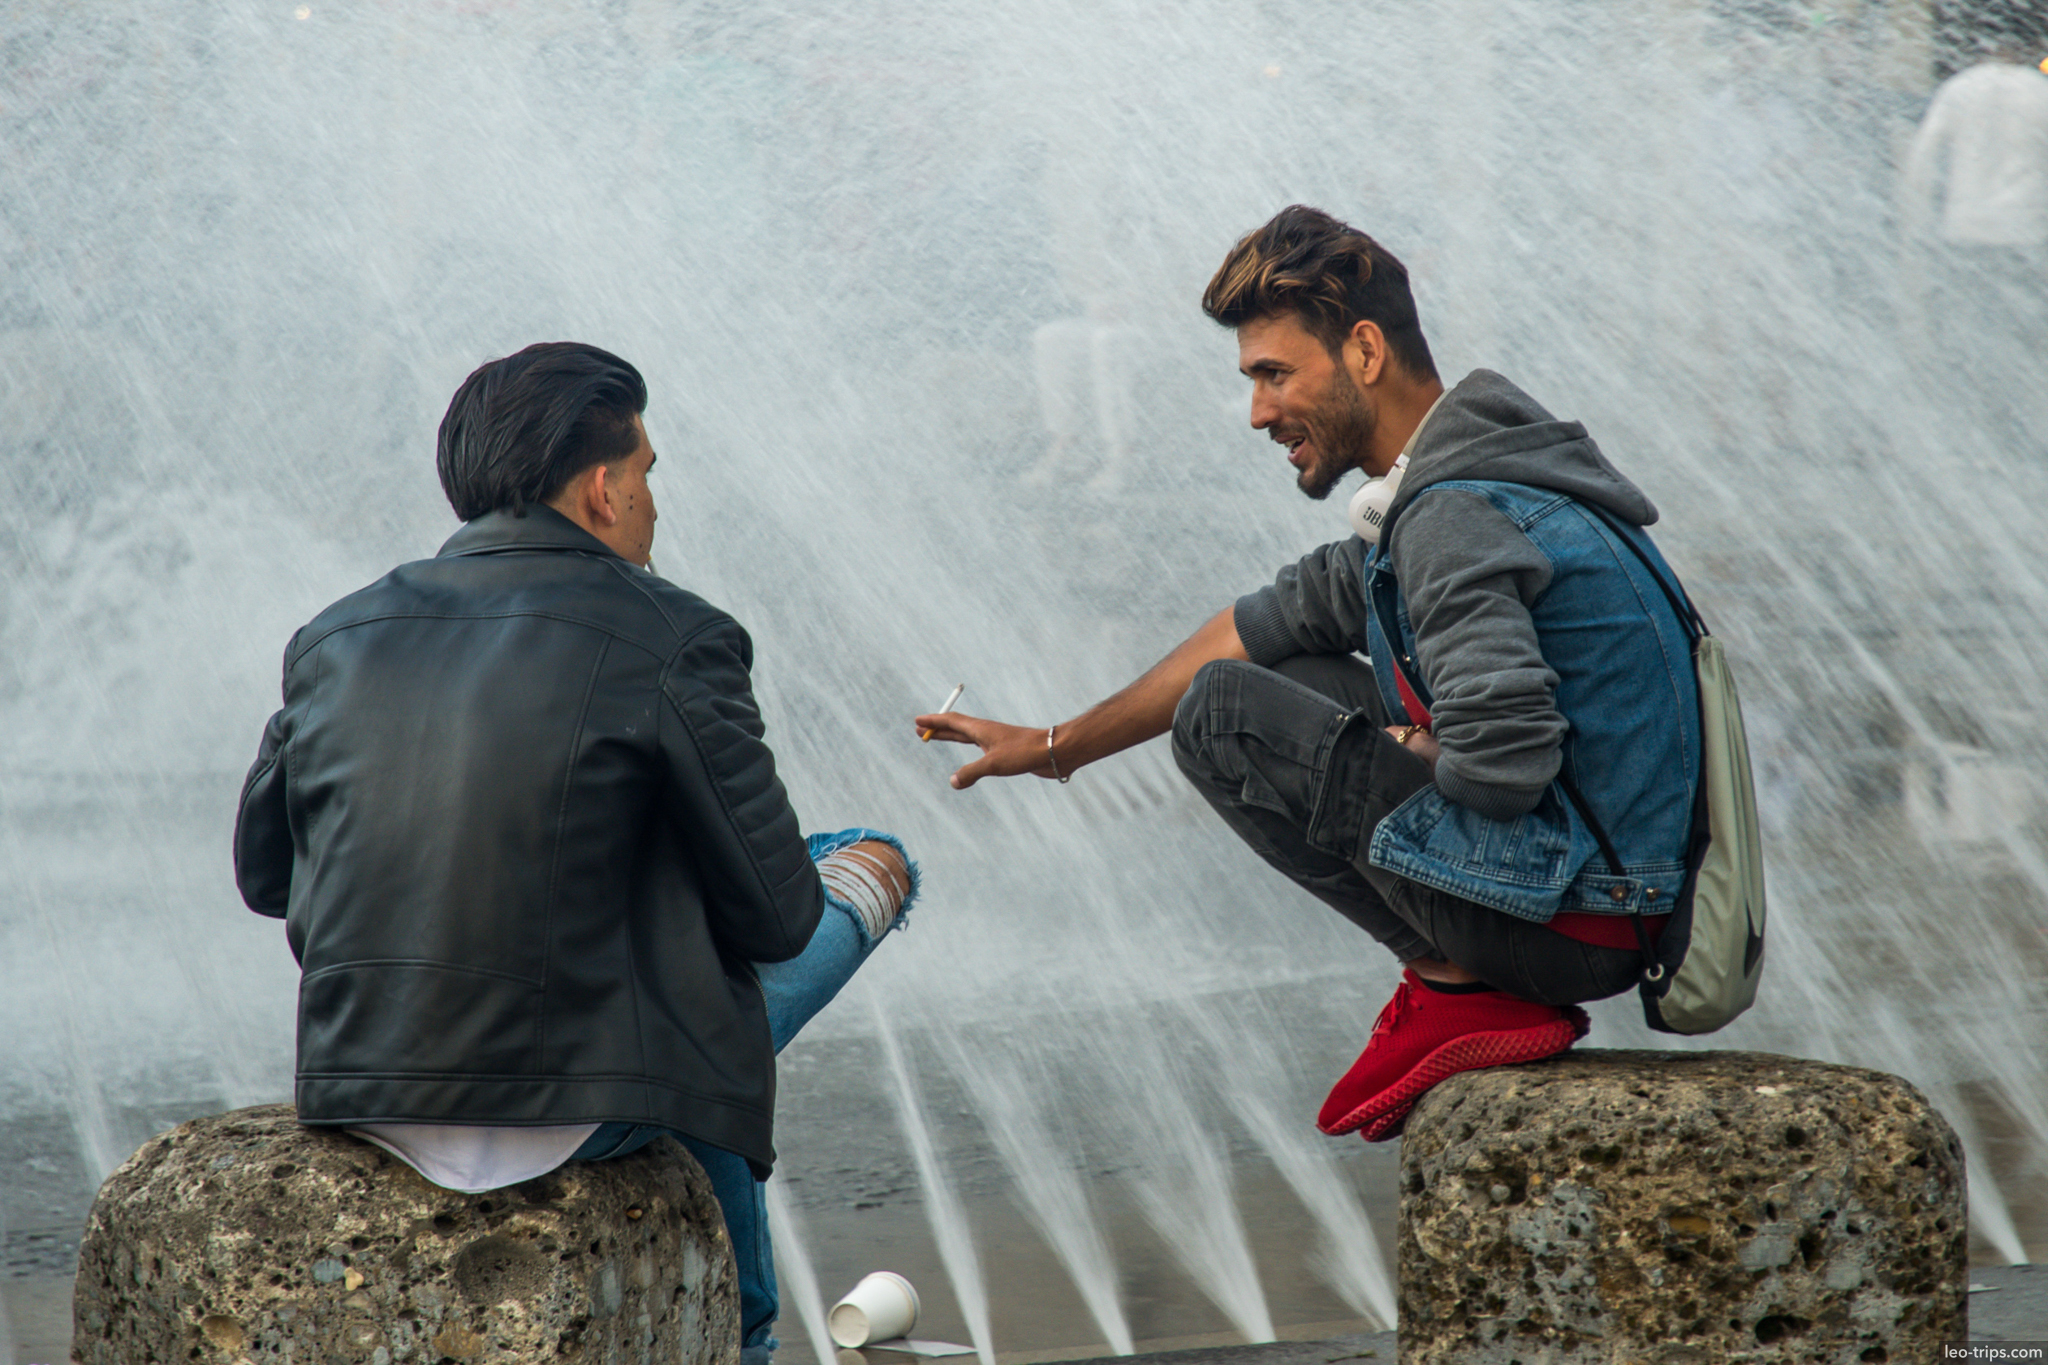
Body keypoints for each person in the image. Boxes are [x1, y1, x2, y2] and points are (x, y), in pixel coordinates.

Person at [918, 206, 1699, 1141]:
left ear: (1364, 350)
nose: (1258, 411)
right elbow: (1263, 623)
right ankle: (1463, 983)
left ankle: (1459, 989)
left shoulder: (1453, 513)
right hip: (1614, 897)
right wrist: (1056, 747)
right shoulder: (1472, 485)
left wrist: (1414, 741)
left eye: (1275, 374)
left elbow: (1504, 767)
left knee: (1221, 717)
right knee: (1285, 670)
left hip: (1576, 922)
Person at [234, 342, 917, 1363]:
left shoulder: (331, 636)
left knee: (671, 946)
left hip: (366, 1088)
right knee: (863, 861)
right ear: (601, 489)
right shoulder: (673, 635)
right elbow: (776, 920)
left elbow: (266, 878)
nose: (650, 504)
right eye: (646, 477)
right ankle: (745, 1338)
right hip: (578, 1105)